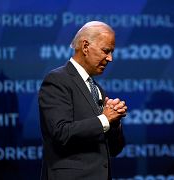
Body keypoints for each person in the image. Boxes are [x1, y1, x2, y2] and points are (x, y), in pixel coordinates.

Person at [38, 21, 127, 180]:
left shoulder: (97, 89)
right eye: (106, 51)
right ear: (85, 46)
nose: (110, 58)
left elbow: (113, 150)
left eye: (112, 52)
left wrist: (114, 123)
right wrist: (105, 119)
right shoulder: (57, 80)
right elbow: (61, 133)